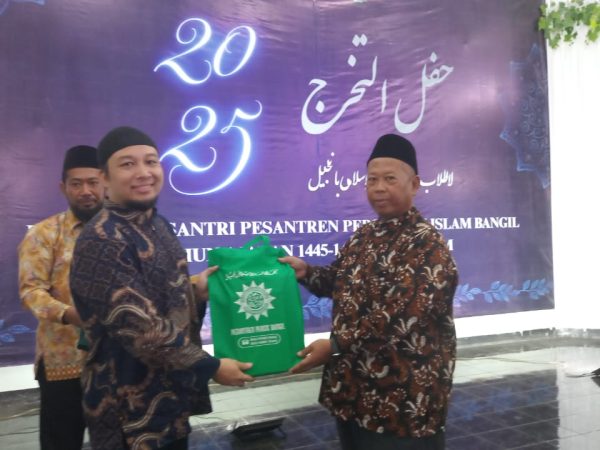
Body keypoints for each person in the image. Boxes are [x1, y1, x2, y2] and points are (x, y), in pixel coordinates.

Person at [69, 126, 253, 450]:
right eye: (128, 164)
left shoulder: (158, 225)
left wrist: (195, 295)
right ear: (105, 178)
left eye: (151, 161)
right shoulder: (102, 238)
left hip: (169, 402)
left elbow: (164, 298)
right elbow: (140, 328)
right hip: (127, 412)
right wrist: (211, 367)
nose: (144, 172)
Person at [280, 134, 458, 450]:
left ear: (414, 184)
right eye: (372, 179)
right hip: (353, 393)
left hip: (403, 401)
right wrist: (305, 272)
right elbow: (338, 281)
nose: (378, 188)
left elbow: (403, 316)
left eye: (390, 179)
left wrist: (335, 346)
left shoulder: (427, 244)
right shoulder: (364, 236)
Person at [18, 145, 104, 450]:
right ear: (63, 187)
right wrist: (69, 314)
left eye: (93, 182)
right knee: (61, 443)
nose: (86, 191)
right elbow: (31, 291)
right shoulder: (44, 234)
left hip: (114, 361)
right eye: (76, 184)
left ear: (106, 183)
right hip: (63, 362)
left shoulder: (122, 232)